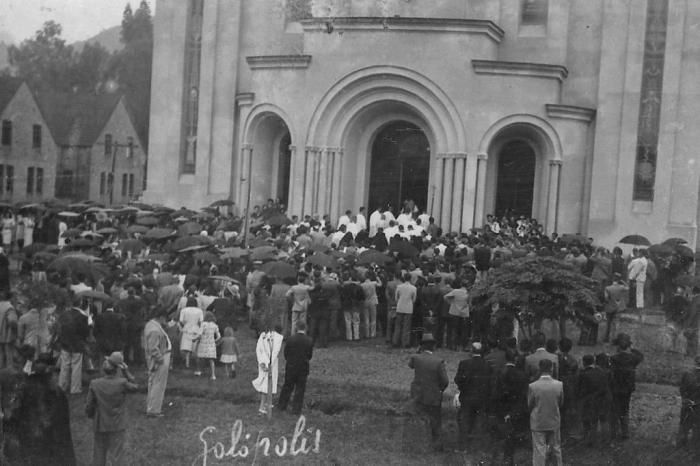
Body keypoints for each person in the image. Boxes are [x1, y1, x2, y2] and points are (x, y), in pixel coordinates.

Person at [85, 352, 139, 466]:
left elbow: (89, 406)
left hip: (100, 424)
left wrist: (91, 416)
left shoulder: (95, 383)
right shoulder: (122, 383)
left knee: (99, 455)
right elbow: (136, 387)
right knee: (117, 455)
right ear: (117, 369)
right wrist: (126, 372)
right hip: (117, 424)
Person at [407, 333, 449, 451]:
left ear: (421, 346)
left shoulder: (416, 358)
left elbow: (410, 365)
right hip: (433, 396)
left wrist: (418, 350)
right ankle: (437, 447)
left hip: (418, 395)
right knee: (435, 423)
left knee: (417, 420)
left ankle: (416, 445)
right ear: (434, 346)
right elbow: (445, 381)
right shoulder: (439, 361)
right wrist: (439, 390)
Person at [493, 351, 529, 466]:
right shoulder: (522, 375)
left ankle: (499, 458)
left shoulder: (500, 373)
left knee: (501, 434)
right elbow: (523, 395)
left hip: (502, 408)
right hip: (515, 409)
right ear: (515, 360)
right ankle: (509, 457)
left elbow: (496, 393)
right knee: (512, 434)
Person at [454, 342, 492, 447]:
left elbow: (458, 379)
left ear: (471, 351)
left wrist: (463, 388)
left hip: (467, 397)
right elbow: (490, 382)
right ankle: (476, 445)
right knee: (479, 422)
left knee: (465, 421)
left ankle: (463, 446)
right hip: (481, 398)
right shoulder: (487, 365)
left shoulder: (464, 363)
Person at [528, 359, 564, 466]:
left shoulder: (533, 386)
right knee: (556, 447)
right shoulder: (559, 385)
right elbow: (561, 403)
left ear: (539, 369)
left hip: (538, 421)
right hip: (554, 419)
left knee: (539, 449)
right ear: (551, 369)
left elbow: (530, 404)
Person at [609, 332, 644, 440]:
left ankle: (614, 432)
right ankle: (625, 432)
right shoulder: (633, 358)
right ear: (628, 345)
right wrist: (632, 348)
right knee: (625, 409)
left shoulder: (614, 358)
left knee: (614, 409)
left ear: (618, 346)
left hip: (616, 387)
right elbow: (640, 356)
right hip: (627, 388)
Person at [278, 321, 314, 415]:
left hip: (291, 366)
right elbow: (309, 355)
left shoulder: (290, 339)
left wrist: (290, 361)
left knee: (287, 386)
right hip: (303, 368)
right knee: (300, 389)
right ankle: (296, 409)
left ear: (296, 328)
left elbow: (286, 353)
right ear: (305, 328)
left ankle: (282, 406)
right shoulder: (309, 340)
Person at [576, 354, 611, 446]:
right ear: (593, 362)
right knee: (604, 420)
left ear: (584, 363)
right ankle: (605, 440)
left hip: (590, 399)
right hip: (603, 398)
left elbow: (580, 389)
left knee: (592, 420)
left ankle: (591, 440)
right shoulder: (601, 372)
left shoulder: (583, 374)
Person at [58, 294, 90, 394]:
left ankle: (62, 386)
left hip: (65, 342)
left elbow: (60, 328)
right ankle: (75, 388)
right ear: (80, 303)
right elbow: (86, 332)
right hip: (77, 343)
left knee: (64, 366)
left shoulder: (64, 314)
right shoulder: (83, 317)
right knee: (76, 366)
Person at [143, 306, 172, 418]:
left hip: (160, 358)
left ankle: (152, 407)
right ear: (161, 317)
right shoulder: (154, 329)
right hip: (159, 360)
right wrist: (161, 360)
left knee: (155, 383)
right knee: (158, 384)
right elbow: (153, 348)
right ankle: (154, 410)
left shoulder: (152, 325)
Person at [252, 324, 284, 416]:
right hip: (266, 362)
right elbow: (259, 349)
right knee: (265, 383)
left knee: (268, 383)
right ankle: (262, 407)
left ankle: (266, 404)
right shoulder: (265, 336)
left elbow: (273, 352)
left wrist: (265, 363)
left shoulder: (273, 337)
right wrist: (264, 363)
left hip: (268, 362)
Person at [677, 355, 700, 449]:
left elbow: (681, 387)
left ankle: (680, 445)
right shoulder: (688, 373)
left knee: (684, 424)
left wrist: (685, 398)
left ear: (695, 362)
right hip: (698, 404)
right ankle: (695, 447)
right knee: (697, 426)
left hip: (687, 402)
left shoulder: (686, 373)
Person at [178, 297, 203, 372]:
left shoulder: (183, 310)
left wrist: (185, 325)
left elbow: (181, 321)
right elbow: (201, 321)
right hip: (195, 329)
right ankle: (196, 364)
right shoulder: (199, 311)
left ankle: (187, 363)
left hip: (186, 329)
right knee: (195, 348)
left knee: (186, 349)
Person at [603, 274, 629, 343]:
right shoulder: (621, 287)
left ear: (612, 280)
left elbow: (606, 298)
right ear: (619, 280)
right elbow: (628, 287)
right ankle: (614, 339)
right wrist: (623, 281)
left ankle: (606, 338)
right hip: (618, 308)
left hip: (609, 308)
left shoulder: (607, 288)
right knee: (615, 324)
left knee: (608, 324)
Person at [394, 273, 417, 348]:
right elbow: (414, 299)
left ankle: (396, 341)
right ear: (410, 278)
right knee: (407, 326)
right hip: (408, 308)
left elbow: (396, 298)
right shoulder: (413, 288)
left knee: (398, 325)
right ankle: (405, 342)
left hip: (400, 306)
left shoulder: (399, 286)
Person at [197, 311, 221, 380]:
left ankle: (199, 371)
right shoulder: (215, 325)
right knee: (211, 360)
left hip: (203, 343)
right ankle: (213, 375)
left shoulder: (203, 324)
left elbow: (200, 334)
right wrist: (215, 341)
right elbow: (219, 336)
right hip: (211, 344)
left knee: (200, 358)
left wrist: (195, 339)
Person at [0, 291, 18, 368]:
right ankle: (9, 373)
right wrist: (16, 328)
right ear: (11, 298)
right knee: (9, 354)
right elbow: (12, 321)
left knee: (0, 354)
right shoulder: (9, 307)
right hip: (7, 335)